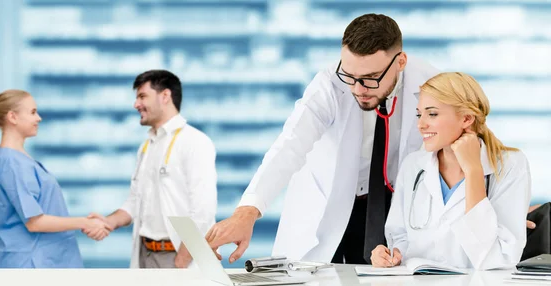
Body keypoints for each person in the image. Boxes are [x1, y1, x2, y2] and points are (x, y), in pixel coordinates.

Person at [205, 13, 440, 264]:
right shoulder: (329, 85)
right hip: (332, 209)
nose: (358, 89)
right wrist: (248, 211)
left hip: (394, 210)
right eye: (350, 75)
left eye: (370, 78)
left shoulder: (432, 83)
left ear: (400, 61)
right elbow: (290, 144)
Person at [370, 72, 531, 270]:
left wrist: (473, 171)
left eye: (432, 114)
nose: (421, 124)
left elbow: (499, 257)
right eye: (419, 114)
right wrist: (389, 256)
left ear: (467, 118)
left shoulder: (510, 166)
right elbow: (400, 236)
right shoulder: (413, 166)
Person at [86, 70, 218, 268]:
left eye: (142, 96)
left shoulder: (195, 142)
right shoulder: (148, 146)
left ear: (165, 96)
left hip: (178, 256)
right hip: (145, 253)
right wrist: (109, 221)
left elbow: (203, 209)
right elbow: (135, 200)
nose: (136, 104)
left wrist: (183, 258)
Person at [0, 89, 110, 268]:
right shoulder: (11, 163)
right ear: (13, 117)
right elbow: (34, 222)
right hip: (34, 262)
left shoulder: (20, 159)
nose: (38, 118)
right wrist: (84, 222)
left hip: (46, 259)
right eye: (32, 112)